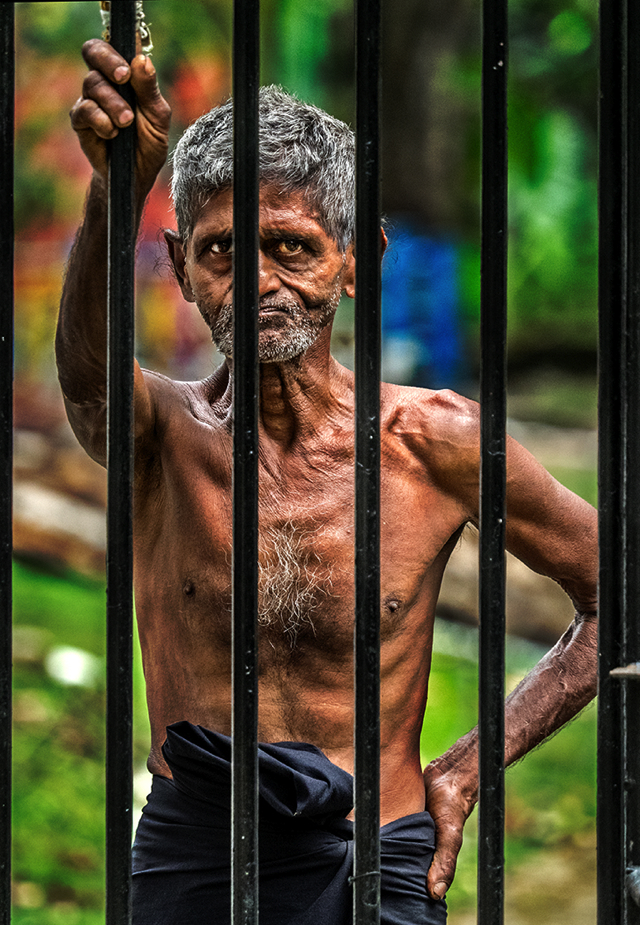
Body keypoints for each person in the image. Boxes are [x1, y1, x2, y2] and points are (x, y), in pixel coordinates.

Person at [57, 40, 599, 925]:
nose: (261, 279)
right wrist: (113, 189)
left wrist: (464, 771)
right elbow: (86, 382)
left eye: (292, 246)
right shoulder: (159, 437)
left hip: (373, 857)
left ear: (358, 259)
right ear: (182, 264)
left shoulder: (436, 443)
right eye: (225, 249)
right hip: (197, 853)